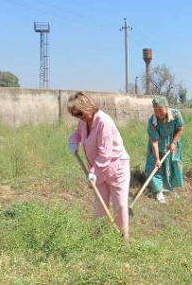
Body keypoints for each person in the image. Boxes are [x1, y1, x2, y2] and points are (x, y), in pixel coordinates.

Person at [68, 91, 130, 240]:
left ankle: (123, 238)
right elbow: (78, 134)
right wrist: (73, 142)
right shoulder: (84, 121)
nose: (79, 117)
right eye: (75, 115)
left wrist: (93, 171)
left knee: (120, 205)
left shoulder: (104, 122)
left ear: (88, 106)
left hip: (116, 168)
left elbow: (105, 154)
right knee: (100, 206)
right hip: (98, 170)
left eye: (80, 113)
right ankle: (98, 238)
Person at [145, 96, 184, 204]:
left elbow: (180, 128)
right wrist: (157, 158)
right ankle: (158, 191)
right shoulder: (152, 121)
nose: (158, 113)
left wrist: (174, 143)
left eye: (160, 110)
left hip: (172, 143)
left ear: (166, 108)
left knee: (172, 166)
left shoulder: (175, 114)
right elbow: (154, 141)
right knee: (156, 167)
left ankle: (169, 190)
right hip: (157, 145)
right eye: (155, 110)